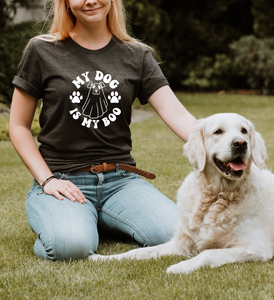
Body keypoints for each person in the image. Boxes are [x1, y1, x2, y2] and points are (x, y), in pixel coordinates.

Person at [9, 0, 197, 261]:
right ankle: (73, 222)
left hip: (120, 181)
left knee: (177, 235)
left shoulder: (136, 54)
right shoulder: (42, 50)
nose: (90, 1)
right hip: (63, 180)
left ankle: (96, 218)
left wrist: (222, 145)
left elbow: (177, 114)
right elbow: (18, 126)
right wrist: (48, 180)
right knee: (71, 247)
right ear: (65, 3)